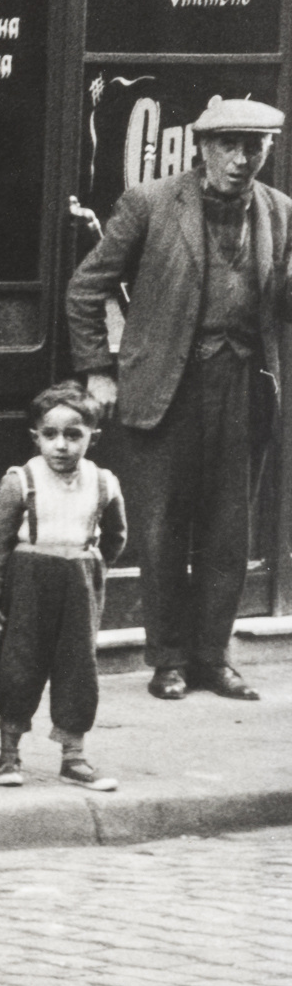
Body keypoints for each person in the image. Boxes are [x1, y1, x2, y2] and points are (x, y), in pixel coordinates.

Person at [64, 95, 289, 703]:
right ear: (202, 147)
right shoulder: (152, 203)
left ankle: (212, 657)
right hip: (167, 388)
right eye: (230, 145)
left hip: (244, 391)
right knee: (162, 530)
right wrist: (98, 372)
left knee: (229, 534)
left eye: (256, 146)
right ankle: (166, 658)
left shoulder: (279, 212)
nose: (243, 159)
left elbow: (280, 310)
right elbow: (87, 289)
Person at [0, 382, 128, 792]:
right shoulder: (21, 480)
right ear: (36, 436)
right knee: (20, 665)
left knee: (78, 667)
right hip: (29, 579)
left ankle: (73, 756)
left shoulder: (103, 482)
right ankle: (8, 755)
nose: (61, 445)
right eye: (50, 434)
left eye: (73, 435)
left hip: (79, 580)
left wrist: (91, 569)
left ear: (92, 437)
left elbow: (115, 537)